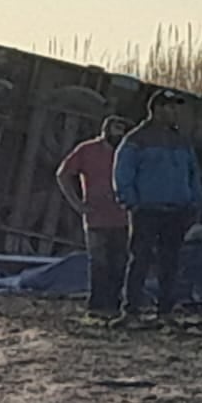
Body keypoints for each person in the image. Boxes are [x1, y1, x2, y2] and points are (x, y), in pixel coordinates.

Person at [112, 89, 202, 323]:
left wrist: (193, 201)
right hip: (147, 211)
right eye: (171, 107)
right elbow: (123, 173)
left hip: (176, 211)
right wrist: (131, 202)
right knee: (139, 260)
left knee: (170, 264)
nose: (175, 112)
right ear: (157, 110)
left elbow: (193, 173)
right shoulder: (136, 139)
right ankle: (131, 310)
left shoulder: (181, 141)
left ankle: (165, 312)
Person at [55, 114, 133, 316]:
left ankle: (114, 306)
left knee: (119, 263)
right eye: (116, 129)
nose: (119, 134)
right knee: (99, 263)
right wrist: (76, 204)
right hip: (96, 218)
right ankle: (97, 306)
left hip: (124, 217)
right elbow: (63, 174)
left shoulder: (128, 153)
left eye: (122, 130)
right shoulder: (87, 150)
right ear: (105, 130)